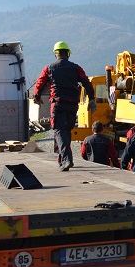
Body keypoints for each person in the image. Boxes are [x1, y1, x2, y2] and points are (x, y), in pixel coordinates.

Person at [32, 41, 96, 171]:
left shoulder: (49, 68)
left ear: (56, 54)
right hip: (72, 105)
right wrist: (92, 99)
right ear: (68, 54)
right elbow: (87, 83)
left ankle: (67, 160)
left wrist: (37, 97)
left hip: (58, 104)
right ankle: (62, 160)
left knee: (59, 131)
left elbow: (40, 83)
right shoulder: (75, 68)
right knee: (66, 132)